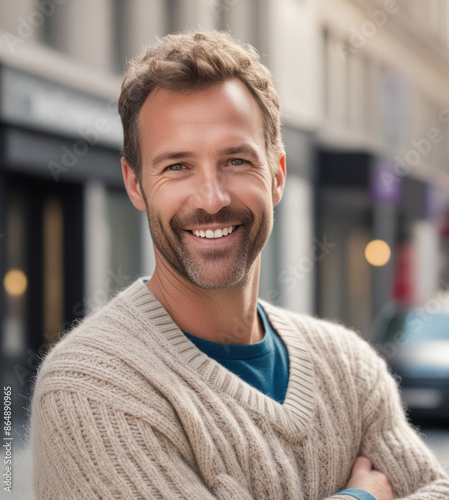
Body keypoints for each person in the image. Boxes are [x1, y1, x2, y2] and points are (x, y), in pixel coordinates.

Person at [30, 30, 449, 500]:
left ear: (277, 176)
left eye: (235, 160)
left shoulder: (349, 366)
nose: (211, 199)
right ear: (134, 184)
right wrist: (362, 498)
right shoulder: (89, 386)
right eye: (176, 167)